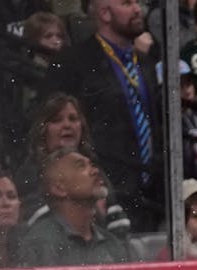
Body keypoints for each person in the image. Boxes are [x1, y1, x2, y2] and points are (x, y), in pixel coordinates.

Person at [45, 0, 164, 231]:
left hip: (151, 191)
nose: (138, 9)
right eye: (127, 3)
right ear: (105, 13)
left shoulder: (146, 63)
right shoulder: (73, 62)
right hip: (106, 189)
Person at [19, 148, 133, 266]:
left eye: (92, 165)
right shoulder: (41, 243)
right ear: (59, 188)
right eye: (81, 166)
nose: (95, 171)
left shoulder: (111, 244)